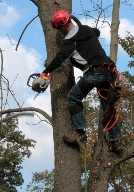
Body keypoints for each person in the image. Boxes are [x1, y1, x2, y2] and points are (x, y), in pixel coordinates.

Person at [41, 9, 122, 152]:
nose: (59, 31)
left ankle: (80, 134)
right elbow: (96, 32)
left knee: (73, 96)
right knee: (107, 107)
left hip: (94, 73)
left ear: (60, 26)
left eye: (58, 28)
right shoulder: (86, 30)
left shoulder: (69, 41)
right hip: (110, 72)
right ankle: (116, 142)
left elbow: (60, 58)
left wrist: (46, 71)